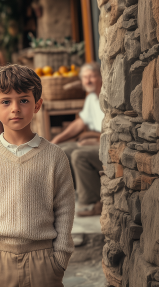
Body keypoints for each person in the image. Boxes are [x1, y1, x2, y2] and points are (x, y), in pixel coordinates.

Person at [0, 64, 75, 287]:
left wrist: (60, 258)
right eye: (6, 101)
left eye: (23, 100)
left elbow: (64, 209)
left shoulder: (55, 157)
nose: (15, 108)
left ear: (37, 105)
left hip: (43, 260)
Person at [51, 62, 104, 217]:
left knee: (79, 154)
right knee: (62, 150)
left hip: (108, 145)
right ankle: (73, 195)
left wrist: (96, 141)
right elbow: (80, 123)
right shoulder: (91, 98)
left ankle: (91, 203)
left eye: (92, 77)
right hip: (96, 140)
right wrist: (57, 139)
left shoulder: (107, 97)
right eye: (85, 77)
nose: (88, 81)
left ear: (100, 77)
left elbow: (115, 130)